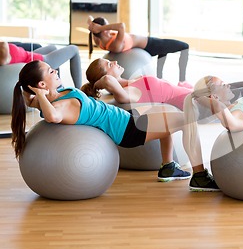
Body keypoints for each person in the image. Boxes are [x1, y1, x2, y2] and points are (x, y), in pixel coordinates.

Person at [11, 60, 219, 191]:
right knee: (186, 119)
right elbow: (53, 117)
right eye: (50, 72)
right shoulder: (61, 106)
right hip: (128, 130)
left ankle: (168, 167)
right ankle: (199, 176)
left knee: (172, 113)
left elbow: (29, 100)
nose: (55, 71)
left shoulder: (56, 94)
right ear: (41, 85)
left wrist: (37, 95)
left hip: (127, 118)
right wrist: (39, 95)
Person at [81, 57, 243, 112]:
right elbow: (106, 81)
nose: (113, 62)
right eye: (108, 64)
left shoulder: (133, 82)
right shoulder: (128, 92)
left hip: (198, 92)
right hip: (200, 104)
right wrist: (97, 84)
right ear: (105, 76)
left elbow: (108, 79)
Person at [87, 16, 189, 83]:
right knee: (185, 46)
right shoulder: (115, 45)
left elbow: (89, 19)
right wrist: (101, 28)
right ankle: (182, 81)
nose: (109, 27)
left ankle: (159, 78)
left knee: (164, 51)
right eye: (107, 26)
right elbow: (121, 26)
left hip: (145, 48)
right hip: (150, 45)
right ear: (103, 31)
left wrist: (93, 25)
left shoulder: (99, 41)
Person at [0, 41, 82, 88]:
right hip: (36, 64)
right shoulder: (3, 56)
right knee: (74, 49)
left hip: (29, 55)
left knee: (52, 48)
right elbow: (4, 58)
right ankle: (80, 91)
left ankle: (57, 88)